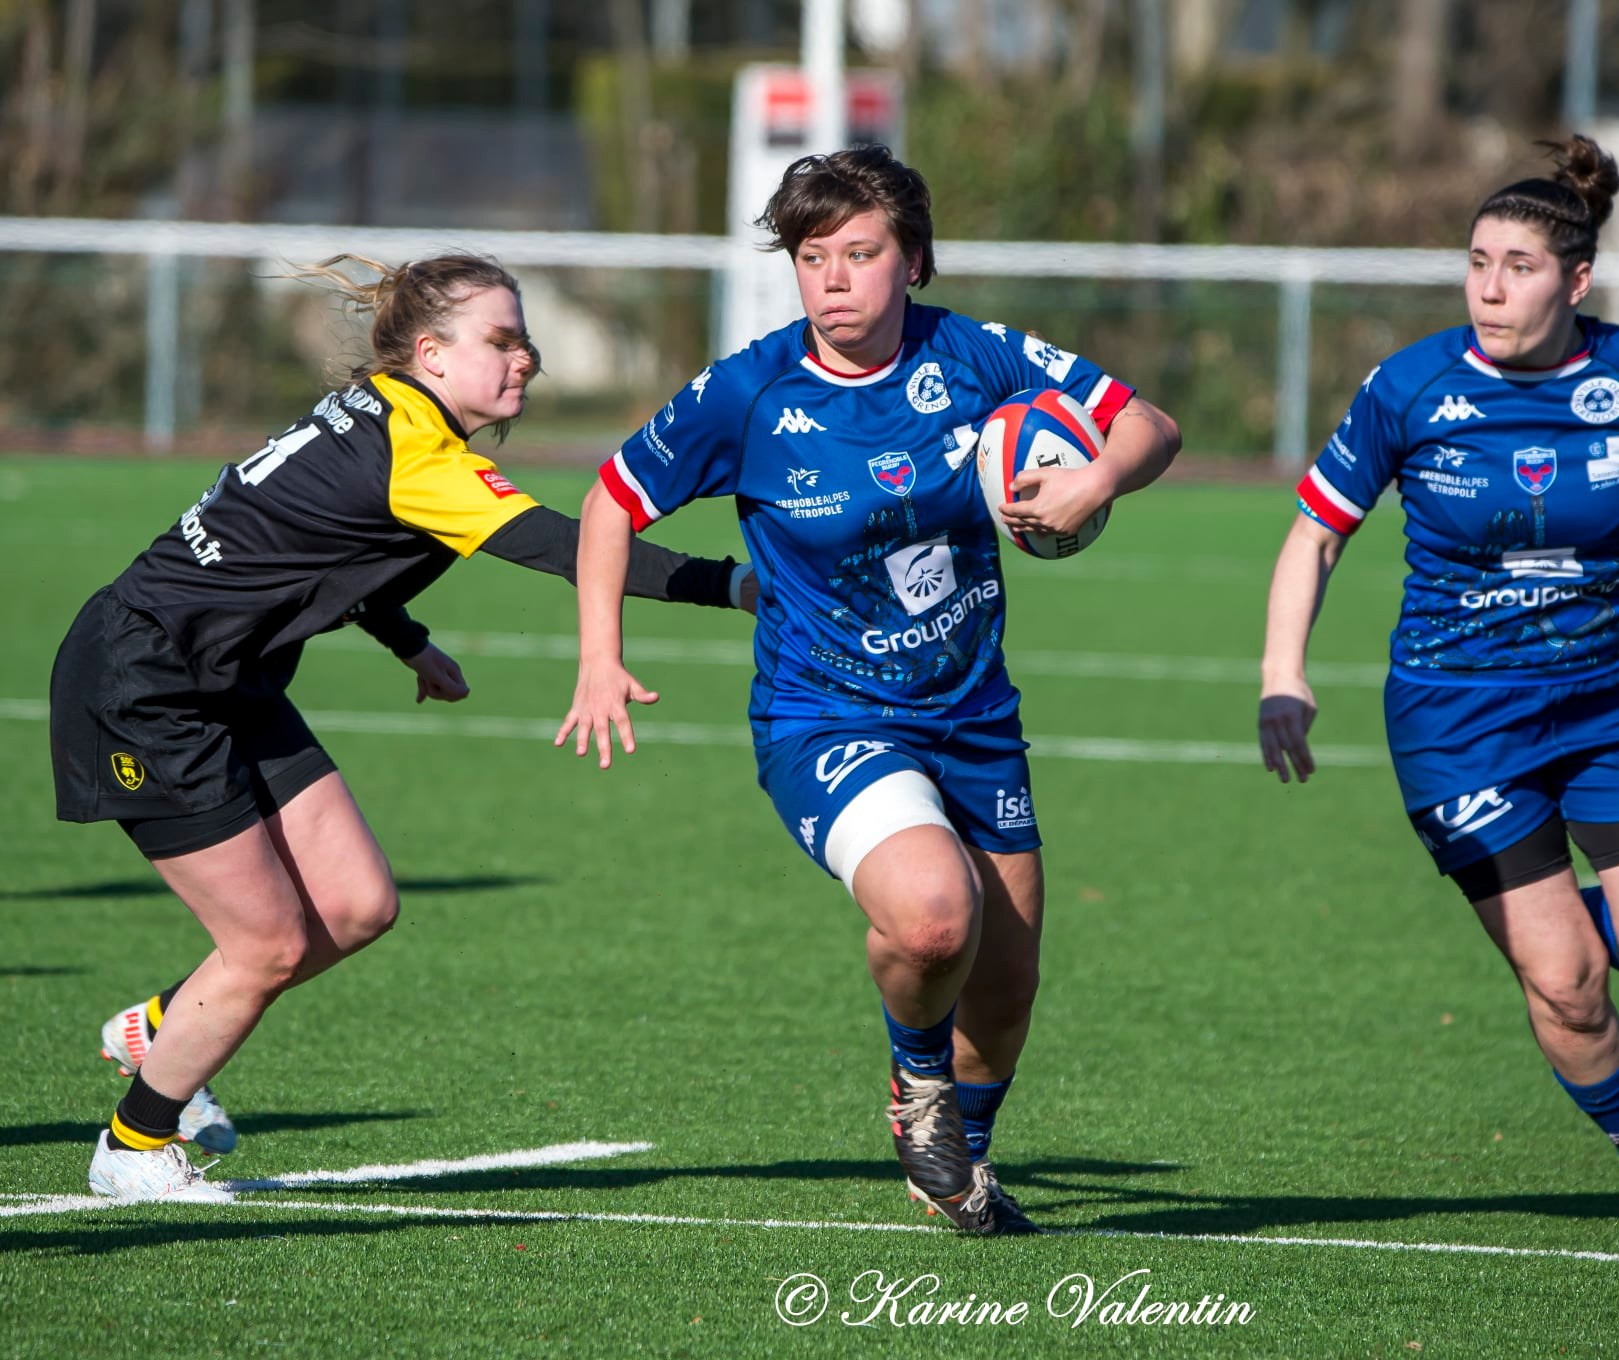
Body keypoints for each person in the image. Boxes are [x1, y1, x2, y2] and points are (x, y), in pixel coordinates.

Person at [560, 145, 1180, 1234]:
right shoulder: (749, 390)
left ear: (914, 261)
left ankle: (959, 1163)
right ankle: (916, 1085)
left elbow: (1148, 425)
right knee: (937, 920)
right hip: (826, 716)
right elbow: (611, 500)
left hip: (974, 715)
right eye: (812, 256)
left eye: (860, 252)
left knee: (1007, 980)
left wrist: (1093, 478)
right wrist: (598, 656)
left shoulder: (975, 355)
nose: (834, 277)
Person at [55, 253, 753, 1201]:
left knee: (355, 905)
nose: (525, 361)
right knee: (265, 947)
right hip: (144, 683)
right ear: (430, 353)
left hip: (225, 677)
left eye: (527, 342)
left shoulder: (385, 414)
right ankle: (133, 1146)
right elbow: (576, 542)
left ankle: (162, 1025)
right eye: (501, 342)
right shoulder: (420, 455)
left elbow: (318, 540)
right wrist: (739, 585)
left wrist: (407, 639)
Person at [1258, 137, 1619, 1234]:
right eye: (1476, 262)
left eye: (1518, 267)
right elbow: (1314, 533)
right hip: (1455, 722)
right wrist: (1280, 676)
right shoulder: (1412, 386)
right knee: (1571, 987)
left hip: (1604, 703)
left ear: (1576, 280)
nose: (1489, 288)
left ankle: (1550, 928)